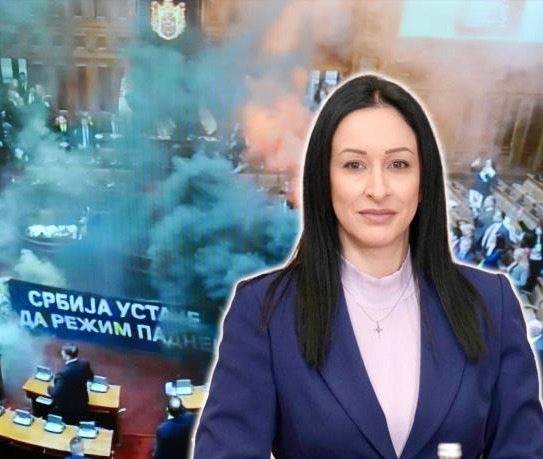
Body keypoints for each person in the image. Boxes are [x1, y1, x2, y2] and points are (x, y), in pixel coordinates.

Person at [193, 74, 543, 458]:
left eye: (398, 164)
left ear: (424, 181)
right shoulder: (264, 310)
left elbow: (523, 449)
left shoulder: (490, 302)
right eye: (354, 165)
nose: (378, 189)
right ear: (323, 180)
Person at [48, 343, 94, 425]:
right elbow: (90, 377)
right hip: (82, 402)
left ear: (67, 356)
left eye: (63, 352)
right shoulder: (84, 364)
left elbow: (56, 393)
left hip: (68, 408)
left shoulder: (64, 373)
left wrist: (49, 389)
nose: (61, 353)